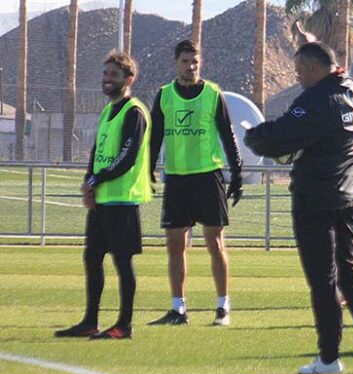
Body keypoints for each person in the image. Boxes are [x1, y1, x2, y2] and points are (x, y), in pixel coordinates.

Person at [244, 42, 353, 374]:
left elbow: (279, 136)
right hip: (349, 199)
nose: (298, 78)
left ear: (315, 69)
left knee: (323, 280)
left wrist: (252, 136)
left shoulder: (315, 100)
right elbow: (330, 63)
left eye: (300, 71)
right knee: (350, 272)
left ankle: (329, 359)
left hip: (314, 199)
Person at [55, 51, 152, 339]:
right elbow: (97, 152)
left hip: (122, 200)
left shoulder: (134, 111)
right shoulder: (108, 112)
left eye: (113, 75)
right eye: (105, 74)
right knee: (92, 257)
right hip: (102, 200)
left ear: (128, 79)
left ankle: (124, 324)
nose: (107, 79)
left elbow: (127, 157)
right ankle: (90, 321)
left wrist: (98, 178)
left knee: (123, 261)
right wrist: (89, 183)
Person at [148, 39, 243, 327]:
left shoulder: (213, 94)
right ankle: (178, 309)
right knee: (175, 245)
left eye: (195, 62)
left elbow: (228, 134)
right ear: (176, 63)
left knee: (215, 243)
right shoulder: (164, 95)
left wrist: (237, 172)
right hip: (176, 178)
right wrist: (147, 169)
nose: (190, 67)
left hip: (208, 176)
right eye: (185, 62)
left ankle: (223, 307)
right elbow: (155, 138)